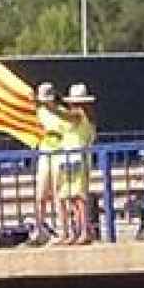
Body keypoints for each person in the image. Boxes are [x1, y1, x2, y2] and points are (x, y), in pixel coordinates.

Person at [57, 83, 98, 246]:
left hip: (78, 157)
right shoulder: (79, 116)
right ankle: (80, 229)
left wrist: (52, 106)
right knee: (71, 197)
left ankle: (85, 231)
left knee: (79, 196)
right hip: (69, 157)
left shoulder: (81, 115)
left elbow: (66, 116)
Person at [31, 82, 68, 246]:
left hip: (59, 153)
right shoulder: (38, 113)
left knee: (58, 193)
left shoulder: (63, 113)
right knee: (41, 194)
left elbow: (67, 132)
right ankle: (39, 228)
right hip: (44, 153)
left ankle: (64, 229)